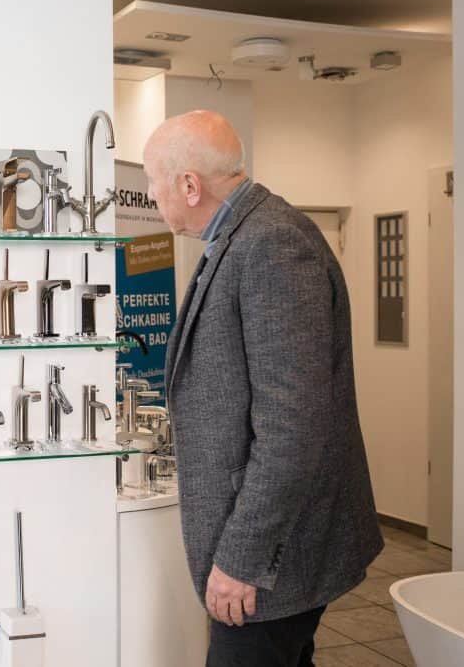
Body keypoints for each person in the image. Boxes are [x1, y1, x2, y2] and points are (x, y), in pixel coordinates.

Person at [144, 111, 383, 666]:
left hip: (272, 559)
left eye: (154, 180)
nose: (151, 195)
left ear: (188, 184)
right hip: (272, 552)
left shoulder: (272, 245)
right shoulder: (240, 236)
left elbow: (293, 429)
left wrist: (242, 560)